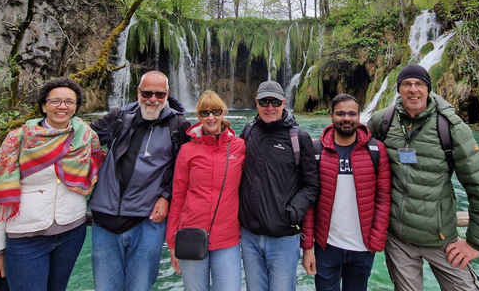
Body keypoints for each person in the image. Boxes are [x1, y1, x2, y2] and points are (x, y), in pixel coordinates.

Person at [367, 64, 479, 291]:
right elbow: (363, 161)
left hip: (441, 238)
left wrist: (476, 243)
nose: (413, 89)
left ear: (429, 88)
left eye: (419, 84)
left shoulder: (450, 127)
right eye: (407, 84)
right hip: (398, 239)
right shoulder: (383, 121)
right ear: (398, 89)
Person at [0, 77, 103, 291]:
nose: (62, 107)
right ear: (43, 105)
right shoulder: (19, 139)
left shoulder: (86, 136)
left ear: (76, 107)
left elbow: (98, 166)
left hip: (71, 231)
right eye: (55, 101)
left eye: (69, 102)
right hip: (25, 236)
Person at [88, 70, 190, 291]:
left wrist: (166, 196)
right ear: (138, 91)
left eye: (159, 94)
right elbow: (81, 137)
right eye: (147, 93)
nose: (153, 99)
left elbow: (186, 170)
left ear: (168, 94)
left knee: (140, 287)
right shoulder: (119, 117)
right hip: (105, 219)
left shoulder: (178, 125)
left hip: (147, 221)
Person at [302, 94, 391, 291]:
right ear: (332, 115)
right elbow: (309, 202)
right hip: (327, 247)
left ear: (360, 116)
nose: (346, 118)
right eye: (341, 113)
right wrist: (307, 246)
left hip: (363, 248)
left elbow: (383, 198)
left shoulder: (376, 150)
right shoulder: (317, 149)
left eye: (352, 113)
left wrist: (375, 240)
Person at [239, 80, 319, 291]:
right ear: (256, 103)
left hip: (283, 238)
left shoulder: (298, 138)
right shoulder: (248, 133)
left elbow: (311, 185)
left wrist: (292, 213)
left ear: (284, 102)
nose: (270, 107)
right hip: (249, 237)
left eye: (275, 101)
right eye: (264, 101)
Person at [166, 91, 246, 291]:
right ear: (198, 116)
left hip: (227, 237)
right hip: (191, 234)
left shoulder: (239, 147)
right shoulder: (187, 151)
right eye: (204, 112)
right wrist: (172, 242)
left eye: (216, 111)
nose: (211, 117)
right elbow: (178, 196)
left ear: (223, 113)